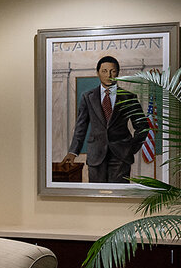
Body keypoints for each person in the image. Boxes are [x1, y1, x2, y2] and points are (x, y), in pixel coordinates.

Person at [59, 55, 150, 183]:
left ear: (118, 73)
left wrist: (130, 148)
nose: (109, 75)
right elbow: (81, 126)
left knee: (119, 195)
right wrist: (73, 152)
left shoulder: (129, 97)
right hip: (96, 156)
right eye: (104, 71)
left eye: (113, 71)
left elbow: (142, 126)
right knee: (97, 195)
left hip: (121, 157)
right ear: (98, 73)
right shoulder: (88, 97)